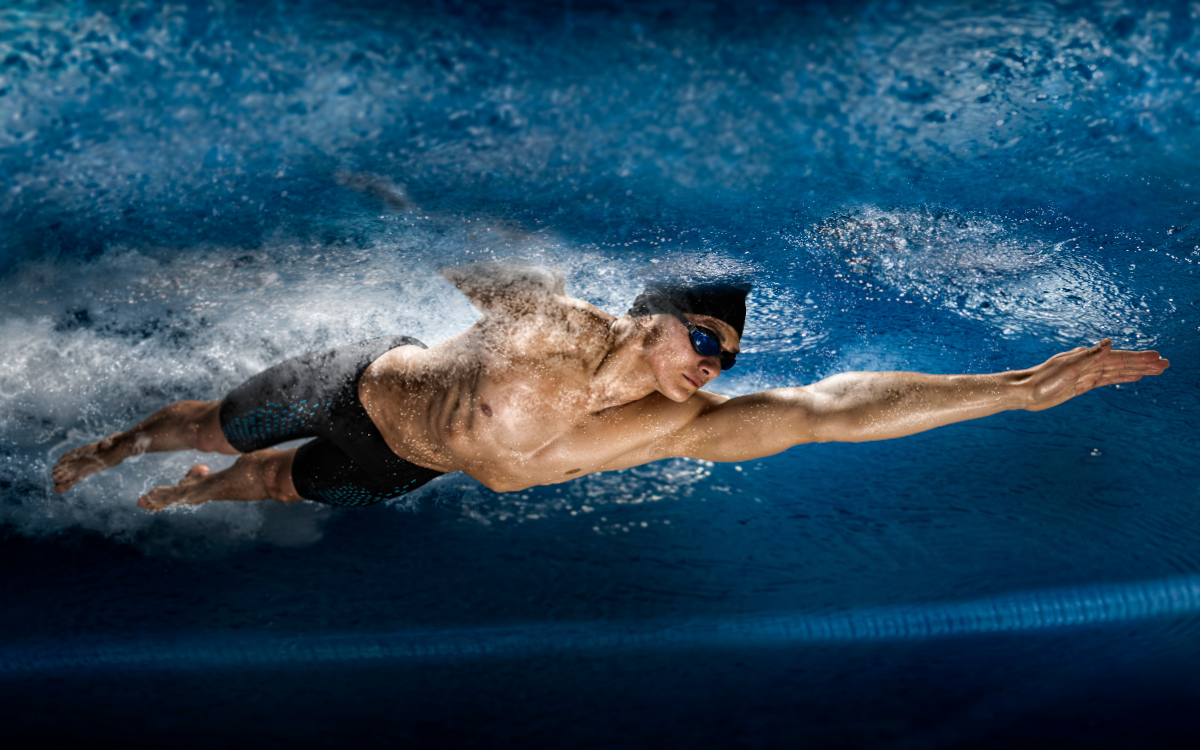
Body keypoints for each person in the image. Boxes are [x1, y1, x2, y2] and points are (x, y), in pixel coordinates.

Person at [52, 264, 1170, 512]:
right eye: (700, 335)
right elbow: (489, 268)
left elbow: (837, 407)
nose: (713, 361)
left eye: (726, 350)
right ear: (645, 319)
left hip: (408, 464)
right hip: (360, 389)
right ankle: (110, 455)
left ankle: (186, 498)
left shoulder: (682, 421)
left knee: (267, 489)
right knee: (208, 419)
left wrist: (1020, 387)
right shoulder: (551, 330)